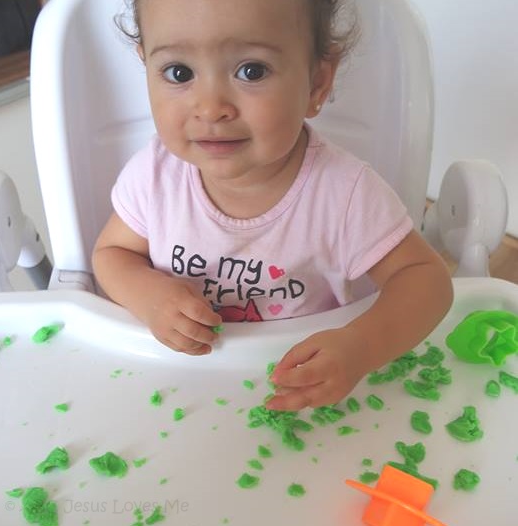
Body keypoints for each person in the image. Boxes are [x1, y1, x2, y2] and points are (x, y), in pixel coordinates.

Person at [92, 0, 453, 412]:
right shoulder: (154, 177)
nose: (211, 108)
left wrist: (360, 346)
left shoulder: (342, 193)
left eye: (252, 71)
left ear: (317, 83)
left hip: (296, 393)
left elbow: (426, 279)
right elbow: (111, 255)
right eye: (179, 73)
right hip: (180, 390)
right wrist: (149, 296)